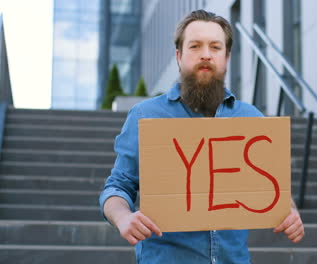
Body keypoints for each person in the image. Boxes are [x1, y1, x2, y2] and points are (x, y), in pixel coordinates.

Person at [99, 9, 304, 264]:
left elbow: (274, 190)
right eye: (195, 46)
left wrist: (290, 212)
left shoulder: (252, 119)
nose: (206, 54)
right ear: (179, 55)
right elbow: (118, 186)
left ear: (227, 57)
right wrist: (123, 218)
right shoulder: (145, 116)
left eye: (215, 47)